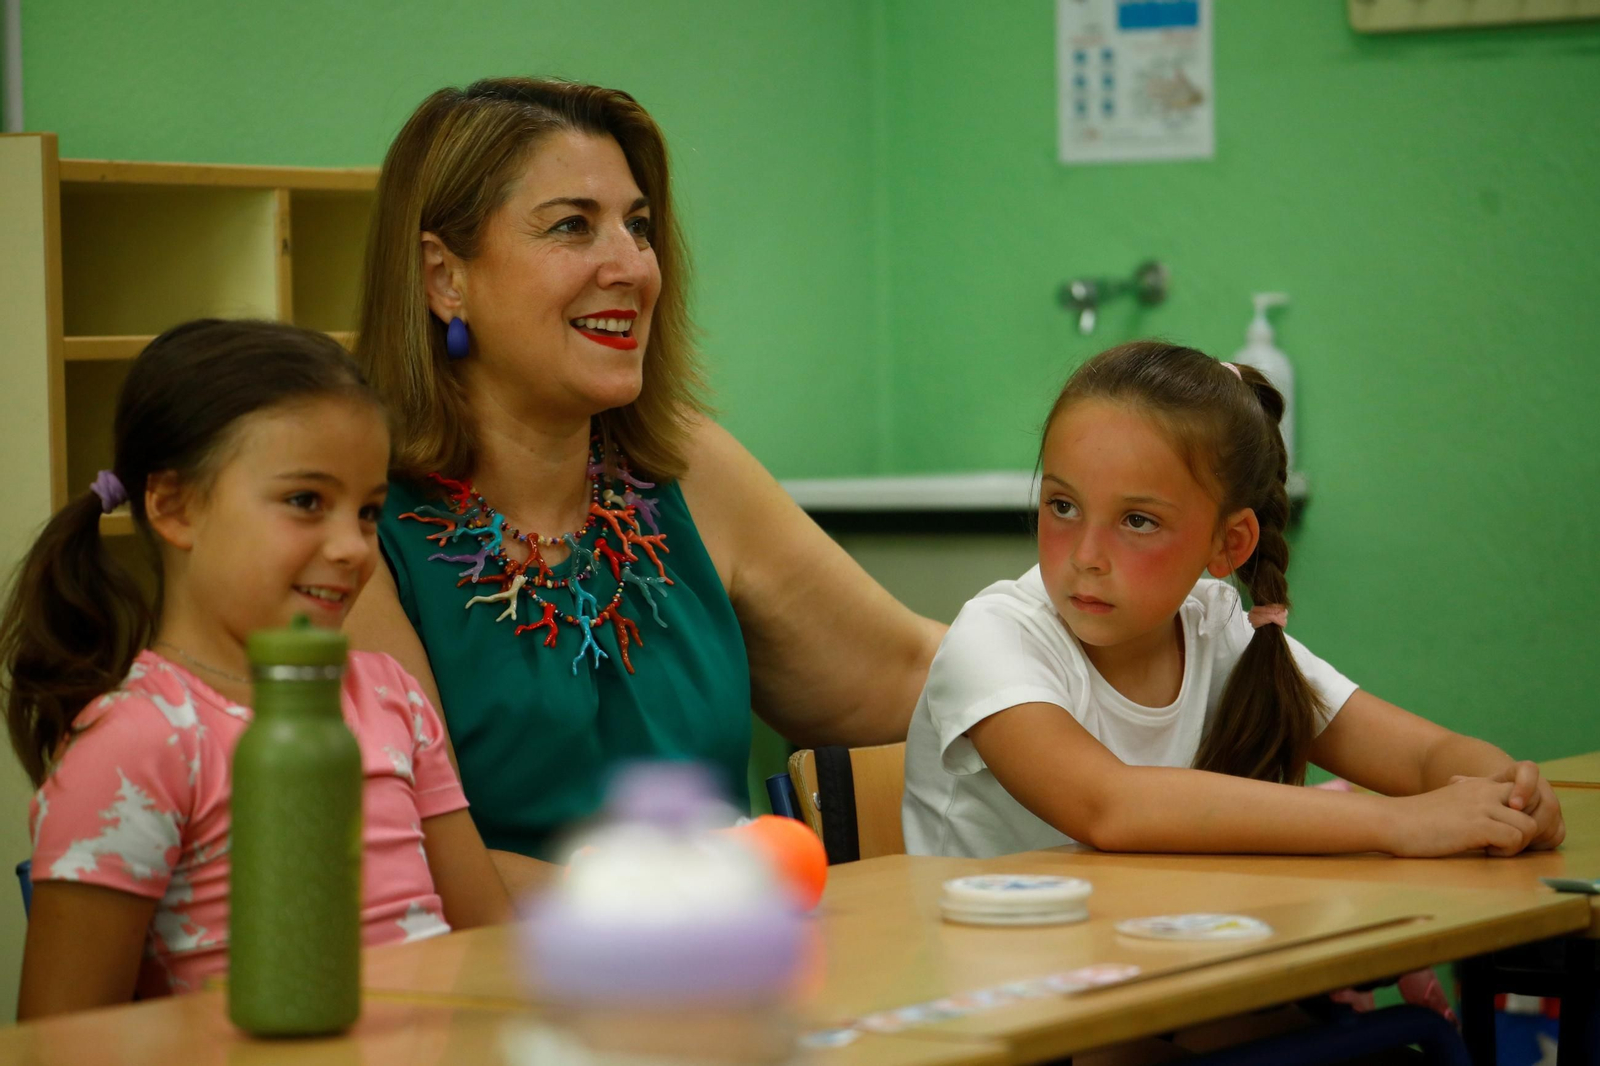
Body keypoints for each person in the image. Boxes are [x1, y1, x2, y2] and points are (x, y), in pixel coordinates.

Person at [346, 77, 943, 888]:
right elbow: (414, 859)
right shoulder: (353, 527)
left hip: (728, 949)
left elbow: (908, 674)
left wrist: (1107, 671)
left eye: (638, 227)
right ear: (445, 277)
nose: (631, 267)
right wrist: (681, 897)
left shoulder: (687, 469)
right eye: (571, 226)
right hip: (498, 966)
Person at [3, 320, 510, 1019]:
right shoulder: (136, 742)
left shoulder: (391, 696)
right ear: (174, 506)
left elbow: (491, 947)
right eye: (306, 501)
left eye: (368, 512)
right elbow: (61, 1043)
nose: (352, 547)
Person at [902, 340, 1564, 860]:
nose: (1086, 556)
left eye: (1137, 520)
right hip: (992, 983)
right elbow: (1109, 806)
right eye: (1063, 506)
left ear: (1229, 543)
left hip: (1146, 967)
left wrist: (1508, 791)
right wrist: (1396, 822)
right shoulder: (994, 637)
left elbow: (1424, 757)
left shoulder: (1219, 630)